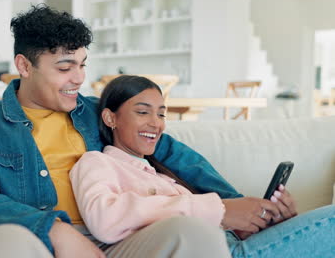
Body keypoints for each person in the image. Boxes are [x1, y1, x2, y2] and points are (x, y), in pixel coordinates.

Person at [0, 4, 232, 258]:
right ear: (25, 66)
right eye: (65, 68)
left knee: (192, 232)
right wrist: (55, 230)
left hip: (115, 241)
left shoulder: (100, 113)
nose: (79, 78)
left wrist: (234, 204)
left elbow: (170, 153)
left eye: (82, 65)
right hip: (33, 240)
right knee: (3, 242)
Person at [70, 75, 335, 258]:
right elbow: (105, 218)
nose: (156, 123)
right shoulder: (97, 162)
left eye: (161, 114)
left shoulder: (164, 175)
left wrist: (263, 221)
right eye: (143, 112)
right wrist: (218, 209)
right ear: (109, 117)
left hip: (233, 245)